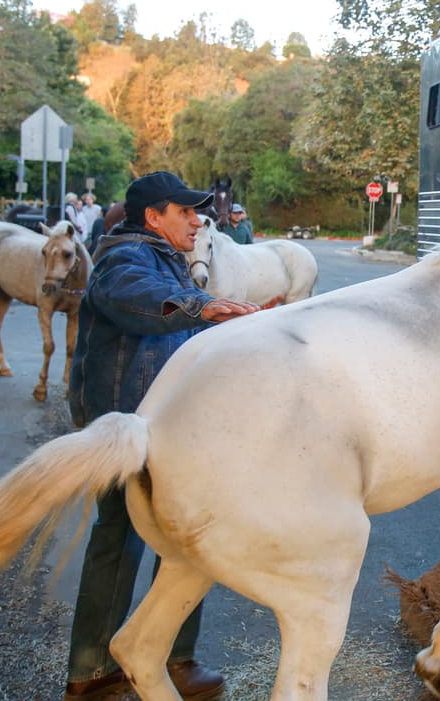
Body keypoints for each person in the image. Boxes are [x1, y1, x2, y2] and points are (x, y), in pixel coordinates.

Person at [65, 171, 263, 701]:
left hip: (159, 421)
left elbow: (186, 327)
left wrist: (242, 323)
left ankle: (168, 657)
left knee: (180, 536)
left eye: (199, 212)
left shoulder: (167, 259)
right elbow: (141, 299)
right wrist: (203, 306)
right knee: (121, 538)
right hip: (124, 422)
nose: (199, 220)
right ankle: (93, 672)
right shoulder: (124, 258)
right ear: (154, 217)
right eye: (186, 211)